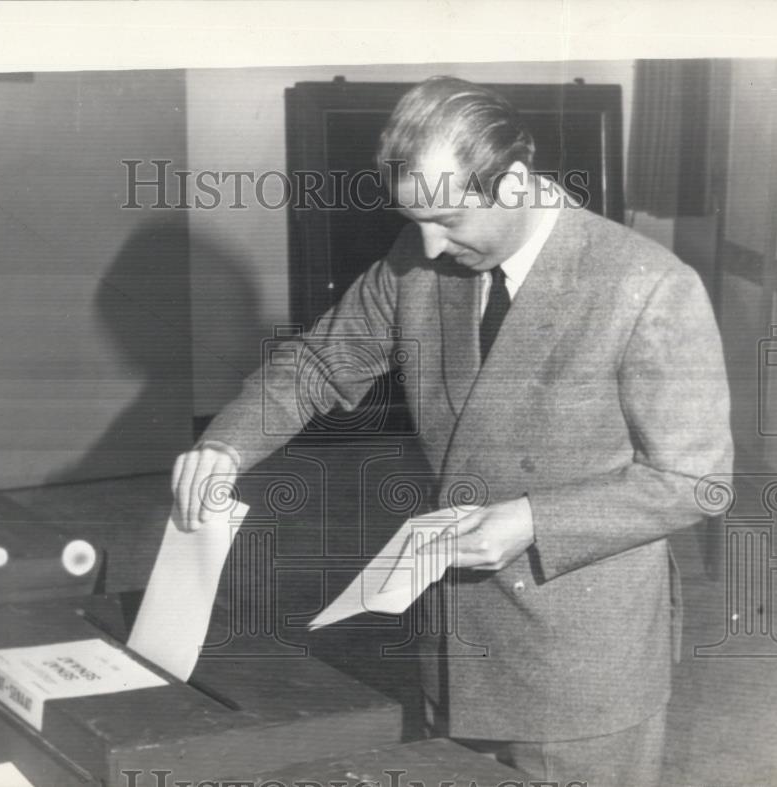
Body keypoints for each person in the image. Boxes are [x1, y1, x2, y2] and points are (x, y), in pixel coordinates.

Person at [172, 76, 733, 786]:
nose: (429, 246)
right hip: (458, 636)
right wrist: (227, 443)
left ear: (514, 183)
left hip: (583, 652)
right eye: (417, 220)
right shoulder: (419, 257)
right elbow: (319, 363)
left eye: (447, 219)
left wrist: (533, 518)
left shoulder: (648, 286)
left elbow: (695, 482)